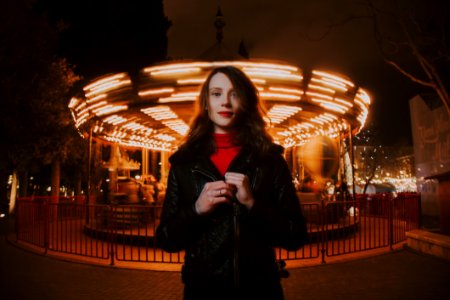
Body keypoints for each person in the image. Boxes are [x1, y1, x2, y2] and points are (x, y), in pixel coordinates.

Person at [156, 66, 307, 299]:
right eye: (216, 94)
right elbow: (166, 239)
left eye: (234, 94)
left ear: (245, 102)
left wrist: (253, 204)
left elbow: (295, 236)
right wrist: (197, 210)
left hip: (260, 289)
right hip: (203, 291)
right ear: (206, 102)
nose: (225, 102)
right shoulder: (184, 164)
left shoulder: (270, 161)